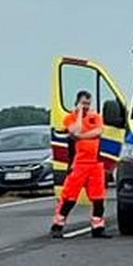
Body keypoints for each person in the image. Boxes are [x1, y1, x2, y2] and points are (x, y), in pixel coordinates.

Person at [51, 90, 108, 239]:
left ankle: (98, 227)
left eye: (88, 103)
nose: (87, 106)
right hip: (79, 163)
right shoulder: (70, 118)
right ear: (77, 103)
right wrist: (79, 115)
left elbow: (98, 131)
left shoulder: (95, 117)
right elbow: (74, 130)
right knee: (69, 195)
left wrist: (81, 137)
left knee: (98, 197)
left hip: (95, 163)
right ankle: (58, 225)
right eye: (84, 103)